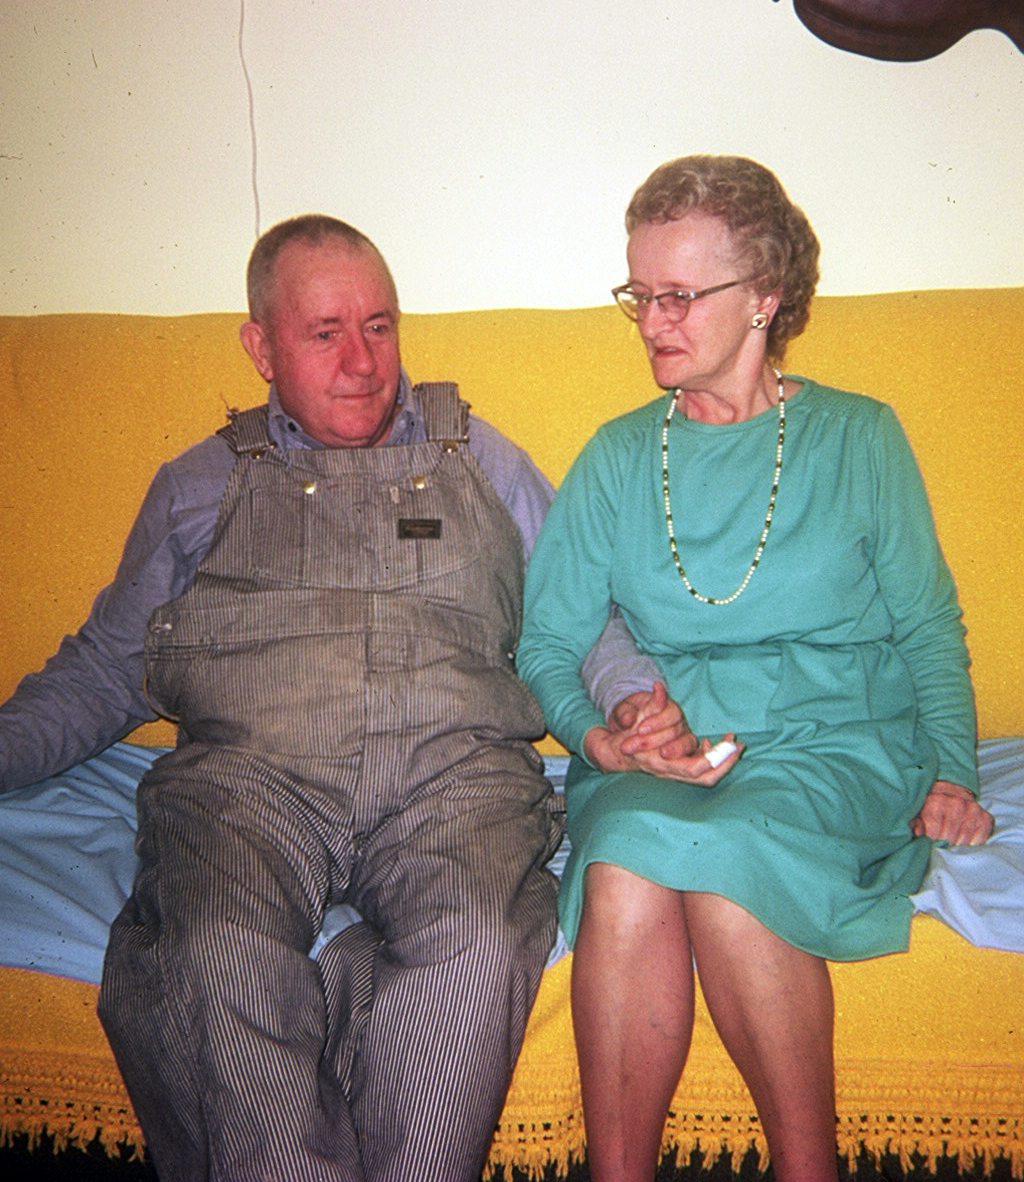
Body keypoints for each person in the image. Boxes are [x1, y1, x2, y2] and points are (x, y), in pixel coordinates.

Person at [0, 215, 686, 1182]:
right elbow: (108, 667)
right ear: (260, 348)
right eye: (326, 333)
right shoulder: (197, 485)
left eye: (379, 326)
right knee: (210, 954)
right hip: (249, 786)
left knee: (480, 943)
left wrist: (628, 702)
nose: (363, 363)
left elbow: (577, 615)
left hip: (453, 781)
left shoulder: (479, 457)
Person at [516, 156, 994, 1182]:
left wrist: (953, 770)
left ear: (764, 296)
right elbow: (547, 641)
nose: (652, 321)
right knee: (624, 861)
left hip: (835, 740)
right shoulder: (617, 457)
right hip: (668, 756)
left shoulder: (858, 436)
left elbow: (925, 621)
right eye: (640, 294)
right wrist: (604, 738)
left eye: (681, 295)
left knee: (732, 872)